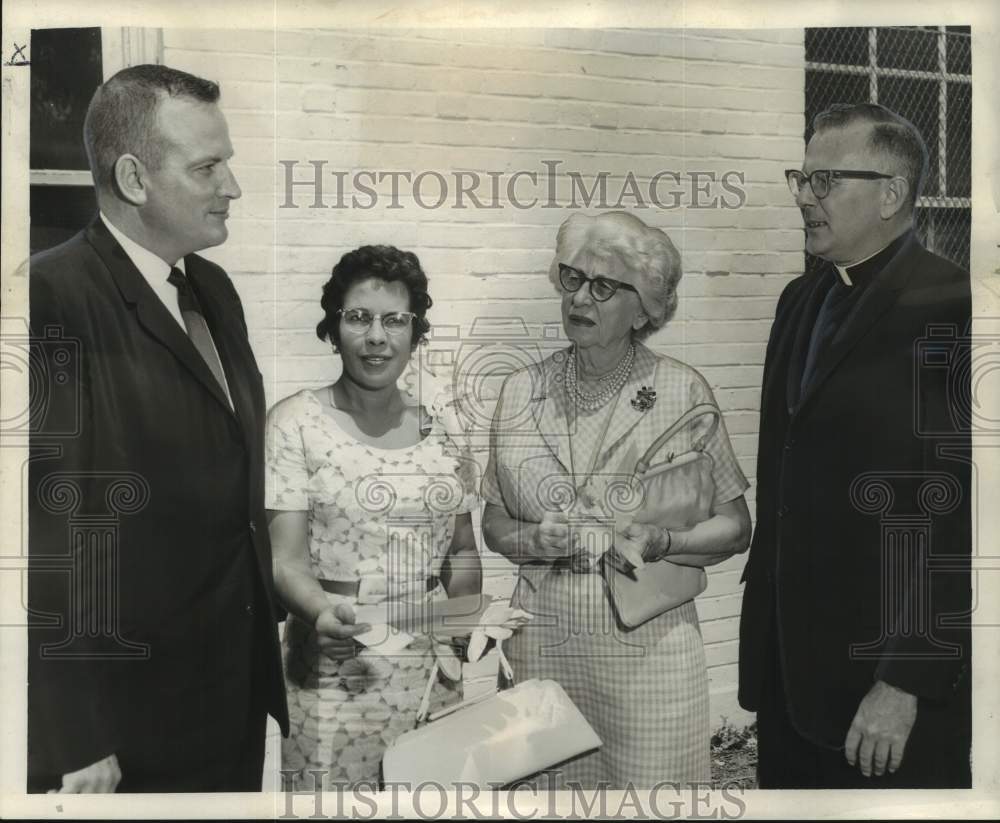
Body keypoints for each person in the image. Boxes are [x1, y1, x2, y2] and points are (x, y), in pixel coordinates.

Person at [27, 65, 288, 792]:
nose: (232, 186)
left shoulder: (213, 288)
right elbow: (39, 541)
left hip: (229, 701)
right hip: (124, 729)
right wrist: (74, 738)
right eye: (208, 166)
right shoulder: (49, 297)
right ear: (135, 178)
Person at [738, 103, 972, 788]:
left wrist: (906, 679)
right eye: (802, 178)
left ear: (892, 193)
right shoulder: (798, 300)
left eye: (827, 180)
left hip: (887, 691)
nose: (805, 198)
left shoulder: (956, 307)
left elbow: (963, 514)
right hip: (786, 675)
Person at [480, 211, 752, 788]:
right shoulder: (519, 390)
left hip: (648, 651)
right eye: (572, 278)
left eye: (604, 286)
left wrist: (665, 541)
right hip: (543, 646)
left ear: (647, 307)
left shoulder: (682, 391)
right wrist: (532, 540)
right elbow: (494, 519)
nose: (580, 297)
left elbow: (736, 527)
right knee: (546, 795)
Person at [266, 245, 482, 789]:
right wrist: (319, 612)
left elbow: (461, 549)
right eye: (358, 318)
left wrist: (466, 629)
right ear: (334, 327)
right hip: (338, 664)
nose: (377, 336)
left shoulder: (444, 426)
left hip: (432, 669)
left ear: (416, 331)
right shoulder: (295, 423)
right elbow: (284, 561)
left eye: (395, 320)